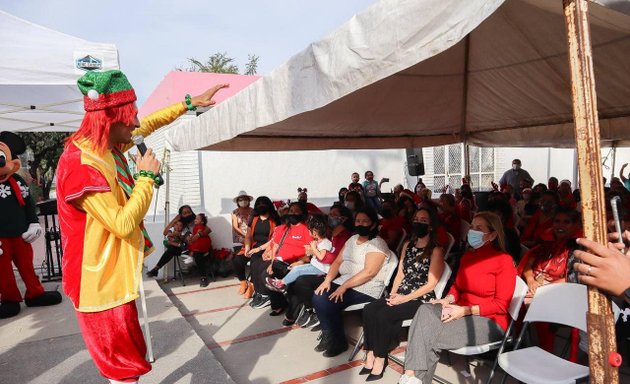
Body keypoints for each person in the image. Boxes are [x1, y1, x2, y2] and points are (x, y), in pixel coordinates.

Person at [55, 69, 228, 384]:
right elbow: (122, 223)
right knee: (122, 369)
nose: (137, 124)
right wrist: (146, 177)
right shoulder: (82, 166)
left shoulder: (105, 144)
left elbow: (147, 123)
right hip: (97, 285)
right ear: (110, 120)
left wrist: (188, 104)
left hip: (114, 277)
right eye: (130, 117)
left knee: (130, 362)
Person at [399, 212, 516, 384]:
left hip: (490, 320)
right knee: (425, 309)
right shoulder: (468, 257)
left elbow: (501, 305)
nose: (472, 231)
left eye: (479, 228)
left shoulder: (503, 261)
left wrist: (465, 311)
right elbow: (457, 287)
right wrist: (447, 300)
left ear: (492, 234)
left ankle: (412, 377)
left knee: (430, 337)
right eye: (472, 227)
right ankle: (411, 376)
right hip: (459, 309)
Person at [360, 208, 445, 381]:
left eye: (423, 220)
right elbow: (400, 273)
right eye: (416, 219)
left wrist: (403, 299)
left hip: (420, 298)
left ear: (430, 226)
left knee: (384, 315)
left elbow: (431, 285)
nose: (418, 222)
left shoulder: (436, 250)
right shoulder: (408, 245)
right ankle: (370, 353)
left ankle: (380, 358)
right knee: (369, 309)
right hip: (401, 293)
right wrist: (392, 294)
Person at [312, 208, 395, 358]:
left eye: (365, 221)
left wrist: (343, 287)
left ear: (373, 224)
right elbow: (337, 262)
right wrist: (327, 280)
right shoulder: (352, 239)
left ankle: (338, 341)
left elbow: (369, 272)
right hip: (345, 281)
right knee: (318, 294)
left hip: (366, 287)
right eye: (358, 221)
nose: (360, 224)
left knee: (328, 302)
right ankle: (328, 334)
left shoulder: (377, 244)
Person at [519, 208, 581, 352]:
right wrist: (530, 279)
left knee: (537, 305)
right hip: (534, 284)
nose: (560, 226)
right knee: (509, 296)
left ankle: (545, 350)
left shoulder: (578, 247)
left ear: (576, 225)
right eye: (557, 221)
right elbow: (529, 264)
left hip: (561, 291)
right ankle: (518, 342)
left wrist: (542, 289)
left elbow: (573, 279)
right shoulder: (547, 241)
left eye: (566, 222)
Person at [288, 205, 354, 328]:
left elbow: (331, 258)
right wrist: (305, 258)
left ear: (343, 219)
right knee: (294, 275)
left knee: (302, 281)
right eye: (330, 214)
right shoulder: (328, 232)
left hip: (334, 272)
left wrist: (314, 251)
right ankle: (306, 310)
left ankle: (314, 310)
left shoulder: (345, 236)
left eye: (334, 214)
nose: (330, 217)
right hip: (322, 267)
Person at [255, 202, 313, 315]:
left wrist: (300, 262)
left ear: (303, 213)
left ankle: (289, 302)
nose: (293, 213)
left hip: (295, 263)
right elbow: (275, 248)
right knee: (266, 274)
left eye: (297, 211)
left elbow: (310, 253)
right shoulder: (284, 228)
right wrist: (272, 263)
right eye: (291, 211)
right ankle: (280, 303)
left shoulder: (306, 229)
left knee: (271, 277)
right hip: (279, 262)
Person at [265, 215, 332, 293]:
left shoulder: (325, 243)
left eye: (309, 230)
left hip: (320, 269)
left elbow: (321, 257)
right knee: (294, 269)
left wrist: (313, 248)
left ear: (314, 233)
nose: (308, 232)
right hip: (315, 265)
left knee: (297, 270)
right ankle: (282, 282)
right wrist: (310, 250)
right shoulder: (318, 241)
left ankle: (281, 284)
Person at [239, 196, 279, 302]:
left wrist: (259, 249)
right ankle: (245, 282)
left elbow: (275, 239)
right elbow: (248, 236)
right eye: (259, 205)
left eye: (263, 205)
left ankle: (254, 287)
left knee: (255, 260)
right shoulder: (254, 218)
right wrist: (247, 247)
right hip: (254, 245)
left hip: (268, 247)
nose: (261, 207)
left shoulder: (275, 218)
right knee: (237, 260)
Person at [188, 213, 213, 287]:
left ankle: (203, 277)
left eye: (197, 219)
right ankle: (192, 254)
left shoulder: (199, 226)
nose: (195, 220)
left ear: (202, 221)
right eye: (195, 218)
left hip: (202, 244)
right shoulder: (196, 226)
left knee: (197, 253)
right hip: (200, 244)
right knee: (196, 252)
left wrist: (192, 239)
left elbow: (198, 234)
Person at [231, 191, 253, 255]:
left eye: (245, 199)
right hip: (240, 237)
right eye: (240, 200)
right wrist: (245, 235)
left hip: (252, 235)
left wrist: (249, 235)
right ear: (237, 202)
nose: (243, 201)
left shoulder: (253, 211)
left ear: (248, 200)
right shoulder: (235, 212)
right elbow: (235, 227)